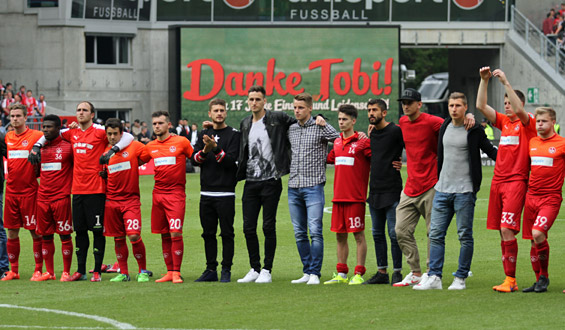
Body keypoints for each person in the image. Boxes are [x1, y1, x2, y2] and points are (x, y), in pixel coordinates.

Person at [29, 101, 134, 282]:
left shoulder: (100, 132)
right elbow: (49, 133)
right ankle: (80, 270)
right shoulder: (71, 133)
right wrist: (36, 147)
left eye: (85, 110)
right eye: (78, 110)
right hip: (77, 191)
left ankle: (97, 272)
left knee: (97, 232)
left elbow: (129, 137)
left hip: (96, 190)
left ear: (92, 114)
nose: (81, 113)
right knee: (80, 232)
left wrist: (112, 151)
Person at [413, 92, 497, 291]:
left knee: (464, 235)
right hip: (442, 189)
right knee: (435, 234)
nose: (454, 109)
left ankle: (460, 278)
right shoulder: (444, 126)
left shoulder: (473, 129)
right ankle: (434, 277)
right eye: (451, 105)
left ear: (466, 107)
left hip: (464, 192)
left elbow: (491, 151)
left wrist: (513, 162)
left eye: (458, 105)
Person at [393, 88, 475, 288]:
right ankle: (415, 272)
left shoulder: (433, 122)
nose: (405, 106)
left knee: (434, 233)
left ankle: (432, 273)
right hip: (410, 186)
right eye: (403, 102)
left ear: (419, 104)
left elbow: (455, 125)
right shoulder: (403, 122)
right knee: (400, 230)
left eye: (409, 102)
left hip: (432, 185)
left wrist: (469, 116)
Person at [476, 67, 537, 292]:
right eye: (505, 103)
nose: (507, 106)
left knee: (507, 229)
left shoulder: (527, 123)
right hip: (497, 182)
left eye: (510, 103)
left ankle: (511, 280)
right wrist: (484, 81)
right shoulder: (505, 123)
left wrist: (505, 82)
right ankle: (508, 279)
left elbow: (520, 109)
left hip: (516, 182)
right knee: (502, 231)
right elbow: (481, 106)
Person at [236, 85, 295, 284]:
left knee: (268, 226)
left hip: (271, 181)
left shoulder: (277, 118)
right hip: (251, 182)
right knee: (248, 227)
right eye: (251, 99)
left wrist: (319, 116)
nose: (254, 103)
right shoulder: (245, 123)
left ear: (265, 102)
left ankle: (267, 270)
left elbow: (299, 122)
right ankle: (254, 268)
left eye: (258, 99)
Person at [287, 92, 339, 285]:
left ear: (310, 108)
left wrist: (324, 123)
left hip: (314, 186)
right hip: (293, 186)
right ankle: (307, 271)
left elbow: (339, 139)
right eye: (295, 107)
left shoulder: (320, 126)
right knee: (299, 232)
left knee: (315, 230)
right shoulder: (291, 129)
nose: (297, 111)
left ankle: (315, 273)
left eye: (301, 107)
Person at [140, 110, 193, 284]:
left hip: (176, 194)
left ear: (169, 125)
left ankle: (177, 272)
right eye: (154, 123)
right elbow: (138, 161)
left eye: (160, 123)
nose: (157, 126)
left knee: (175, 232)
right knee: (164, 234)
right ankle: (169, 271)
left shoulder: (181, 142)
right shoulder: (150, 146)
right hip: (158, 195)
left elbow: (197, 158)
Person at [191, 98, 240, 283]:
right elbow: (194, 160)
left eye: (222, 110)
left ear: (226, 113)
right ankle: (211, 269)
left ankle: (226, 269)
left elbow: (232, 163)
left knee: (227, 233)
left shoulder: (234, 135)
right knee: (208, 233)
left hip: (226, 193)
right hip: (206, 193)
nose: (219, 113)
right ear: (210, 114)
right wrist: (205, 149)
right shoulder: (204, 133)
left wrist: (216, 148)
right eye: (215, 110)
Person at [324, 104, 371, 285]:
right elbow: (329, 159)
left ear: (353, 121)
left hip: (355, 198)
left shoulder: (363, 142)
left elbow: (378, 157)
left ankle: (359, 273)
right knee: (340, 235)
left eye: (345, 119)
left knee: (358, 235)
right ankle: (341, 274)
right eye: (340, 119)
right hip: (338, 198)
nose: (341, 122)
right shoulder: (336, 143)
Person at [521, 108, 565, 293]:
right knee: (533, 240)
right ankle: (539, 280)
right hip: (531, 198)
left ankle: (544, 276)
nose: (539, 124)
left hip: (550, 198)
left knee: (538, 234)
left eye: (544, 121)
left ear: (553, 122)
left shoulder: (562, 144)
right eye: (538, 121)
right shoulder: (532, 142)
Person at [102, 118, 150, 283]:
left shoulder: (134, 146)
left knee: (134, 236)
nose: (112, 137)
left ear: (121, 133)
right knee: (118, 238)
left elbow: (147, 156)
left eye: (115, 133)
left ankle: (142, 270)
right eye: (109, 134)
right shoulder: (104, 152)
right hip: (111, 201)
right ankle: (123, 273)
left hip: (130, 200)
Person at [1, 103, 44, 281]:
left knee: (35, 232)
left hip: (30, 192)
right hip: (11, 191)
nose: (15, 119)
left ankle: (39, 270)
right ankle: (14, 271)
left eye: (18, 116)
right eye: (12, 116)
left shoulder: (37, 136)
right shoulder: (7, 137)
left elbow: (53, 141)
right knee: (12, 232)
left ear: (26, 118)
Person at [365, 99, 404, 285]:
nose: (371, 113)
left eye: (375, 110)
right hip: (374, 191)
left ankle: (397, 271)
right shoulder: (371, 133)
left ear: (384, 112)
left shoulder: (395, 130)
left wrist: (406, 163)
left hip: (392, 190)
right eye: (369, 110)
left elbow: (413, 148)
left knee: (394, 233)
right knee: (377, 234)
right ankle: (382, 272)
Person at [34, 114, 74, 281]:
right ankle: (49, 272)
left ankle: (66, 271)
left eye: (49, 127)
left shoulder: (68, 147)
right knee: (46, 235)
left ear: (59, 129)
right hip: (42, 198)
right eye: (44, 127)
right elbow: (36, 172)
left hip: (61, 198)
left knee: (64, 235)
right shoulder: (39, 149)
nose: (45, 130)